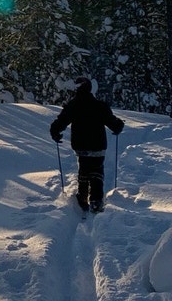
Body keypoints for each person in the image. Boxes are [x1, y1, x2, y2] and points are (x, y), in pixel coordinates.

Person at [49, 76, 124, 213]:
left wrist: (55, 132)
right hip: (98, 145)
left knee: (83, 169)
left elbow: (61, 121)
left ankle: (82, 198)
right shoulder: (100, 106)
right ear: (90, 88)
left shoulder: (73, 105)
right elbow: (113, 122)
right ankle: (96, 201)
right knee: (97, 171)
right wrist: (119, 126)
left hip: (80, 145)